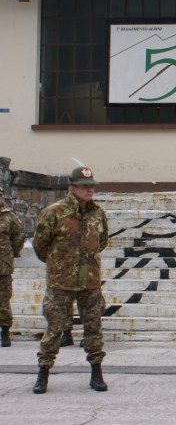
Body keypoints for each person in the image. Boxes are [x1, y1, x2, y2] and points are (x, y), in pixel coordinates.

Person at [31, 166, 109, 394]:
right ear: (72, 188)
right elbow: (40, 245)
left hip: (90, 283)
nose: (90, 190)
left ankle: (96, 374)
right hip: (60, 282)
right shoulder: (54, 212)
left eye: (92, 186)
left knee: (94, 329)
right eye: (85, 186)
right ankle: (43, 373)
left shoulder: (98, 213)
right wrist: (60, 264)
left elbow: (102, 241)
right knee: (54, 329)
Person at [0, 186, 25, 347]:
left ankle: (4, 332)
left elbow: (19, 237)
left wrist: (12, 254)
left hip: (3, 266)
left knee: (3, 300)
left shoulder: (9, 217)